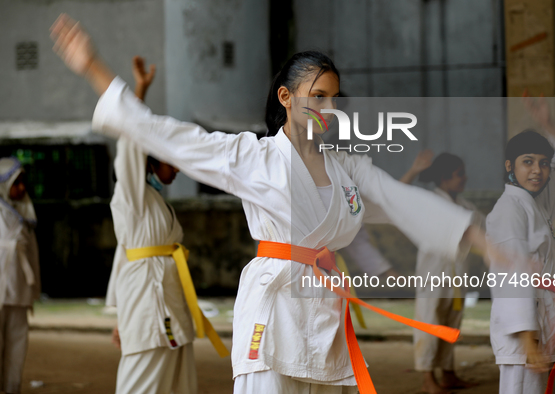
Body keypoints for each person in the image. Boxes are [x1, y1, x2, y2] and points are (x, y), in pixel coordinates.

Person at [51, 14, 500, 393]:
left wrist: (483, 241)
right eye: (317, 96)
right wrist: (93, 67)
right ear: (286, 98)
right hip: (273, 310)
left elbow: (403, 201)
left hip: (324, 308)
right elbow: (167, 135)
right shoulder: (255, 156)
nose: (328, 107)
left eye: (334, 99)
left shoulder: (348, 168)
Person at [486, 69, 555, 394]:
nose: (538, 171)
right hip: (523, 333)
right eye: (527, 162)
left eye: (543, 163)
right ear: (509, 166)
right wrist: (527, 339)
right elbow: (511, 275)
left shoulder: (537, 201)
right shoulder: (509, 209)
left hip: (540, 320)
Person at [105, 55, 198, 394]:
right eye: (171, 160)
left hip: (169, 307)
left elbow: (124, 255)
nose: (178, 168)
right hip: (149, 307)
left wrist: (118, 314)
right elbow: (131, 142)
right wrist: (140, 90)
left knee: (179, 385)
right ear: (152, 158)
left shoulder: (152, 199)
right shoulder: (130, 193)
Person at [401, 150, 483, 393]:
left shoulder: (467, 208)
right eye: (460, 175)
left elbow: (489, 230)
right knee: (429, 323)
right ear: (444, 179)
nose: (465, 178)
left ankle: (448, 374)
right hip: (433, 277)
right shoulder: (428, 202)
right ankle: (428, 379)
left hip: (457, 278)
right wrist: (414, 171)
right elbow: (396, 197)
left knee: (451, 325)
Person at [0, 157, 41, 394]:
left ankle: (11, 387)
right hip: (1, 288)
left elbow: (33, 256)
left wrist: (32, 289)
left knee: (17, 343)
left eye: (23, 182)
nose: (22, 188)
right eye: (17, 183)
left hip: (19, 290)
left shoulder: (25, 214)